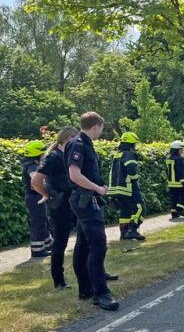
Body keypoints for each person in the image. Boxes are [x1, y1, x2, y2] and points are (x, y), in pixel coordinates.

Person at [65, 112, 119, 311]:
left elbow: (86, 172)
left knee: (83, 245)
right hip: (86, 200)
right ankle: (101, 293)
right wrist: (97, 189)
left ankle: (85, 289)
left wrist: (99, 185)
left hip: (86, 200)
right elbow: (74, 174)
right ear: (96, 126)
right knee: (98, 245)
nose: (101, 132)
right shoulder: (78, 144)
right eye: (102, 128)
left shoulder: (83, 143)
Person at [31, 126, 79, 289]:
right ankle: (58, 279)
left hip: (71, 201)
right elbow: (35, 181)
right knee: (60, 241)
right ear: (67, 138)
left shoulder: (66, 156)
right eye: (75, 138)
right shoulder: (53, 157)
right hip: (60, 203)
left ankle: (91, 271)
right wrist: (47, 194)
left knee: (86, 236)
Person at [108, 132, 146, 240]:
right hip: (128, 187)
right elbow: (131, 168)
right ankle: (132, 230)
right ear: (130, 144)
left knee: (125, 211)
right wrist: (135, 180)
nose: (135, 147)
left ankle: (124, 233)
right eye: (134, 144)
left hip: (117, 189)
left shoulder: (118, 154)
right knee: (141, 208)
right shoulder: (129, 154)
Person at [21, 140, 52, 258]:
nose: (45, 155)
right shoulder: (32, 166)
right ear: (37, 154)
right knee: (38, 222)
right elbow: (34, 179)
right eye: (43, 153)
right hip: (34, 197)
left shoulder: (29, 163)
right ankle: (37, 250)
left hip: (35, 196)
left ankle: (48, 244)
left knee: (43, 220)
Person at [166, 140, 184, 219]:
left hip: (171, 183)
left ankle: (174, 213)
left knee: (174, 197)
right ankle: (180, 209)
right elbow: (180, 171)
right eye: (181, 149)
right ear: (177, 149)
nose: (182, 150)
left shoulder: (169, 158)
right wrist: (183, 182)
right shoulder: (179, 159)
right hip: (179, 182)